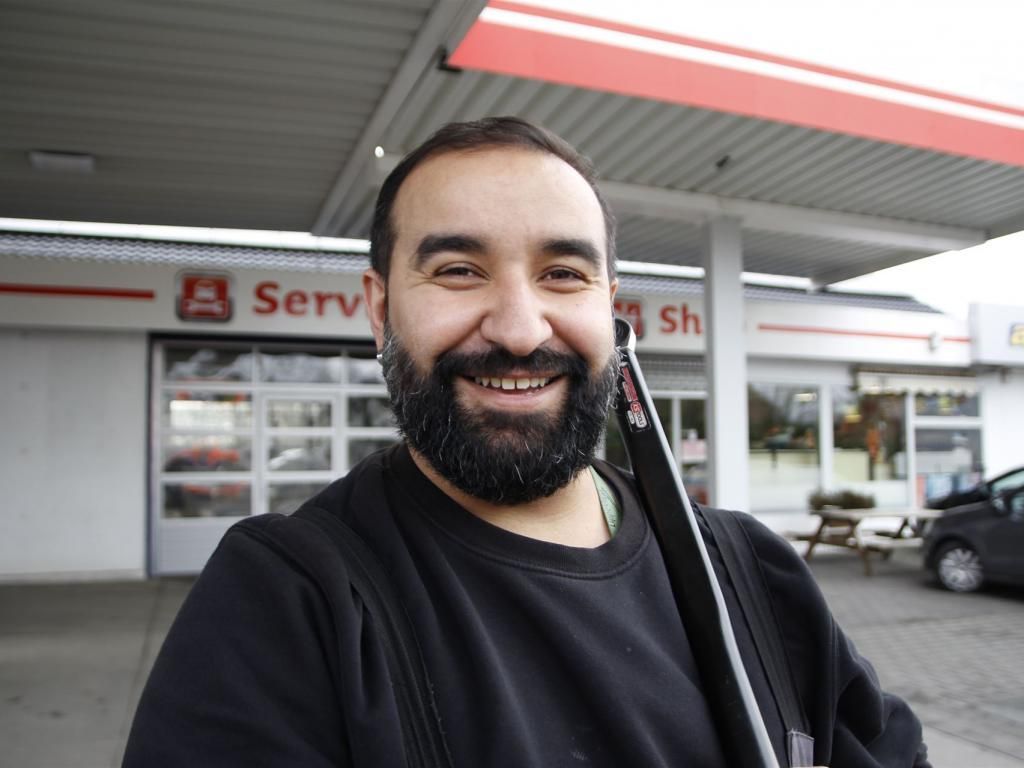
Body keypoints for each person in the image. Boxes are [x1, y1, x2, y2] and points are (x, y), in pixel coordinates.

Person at [123, 117, 929, 767]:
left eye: (563, 275)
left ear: (612, 309)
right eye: (459, 271)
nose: (517, 329)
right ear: (379, 309)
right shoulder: (290, 603)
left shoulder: (750, 574)